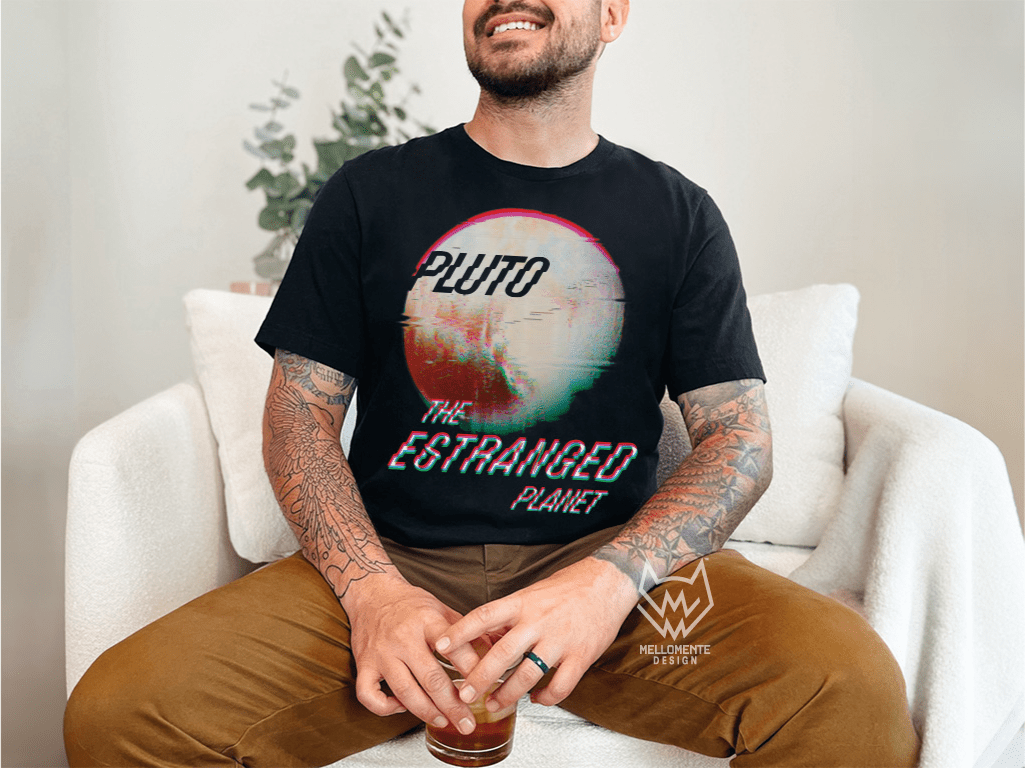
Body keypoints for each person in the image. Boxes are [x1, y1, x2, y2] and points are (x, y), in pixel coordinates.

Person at [64, 1, 921, 765]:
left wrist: (608, 582)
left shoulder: (676, 212)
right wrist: (371, 595)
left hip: (609, 585)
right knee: (120, 714)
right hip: (393, 563)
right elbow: (297, 416)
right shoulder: (370, 194)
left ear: (613, 15)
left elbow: (738, 438)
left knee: (848, 689)